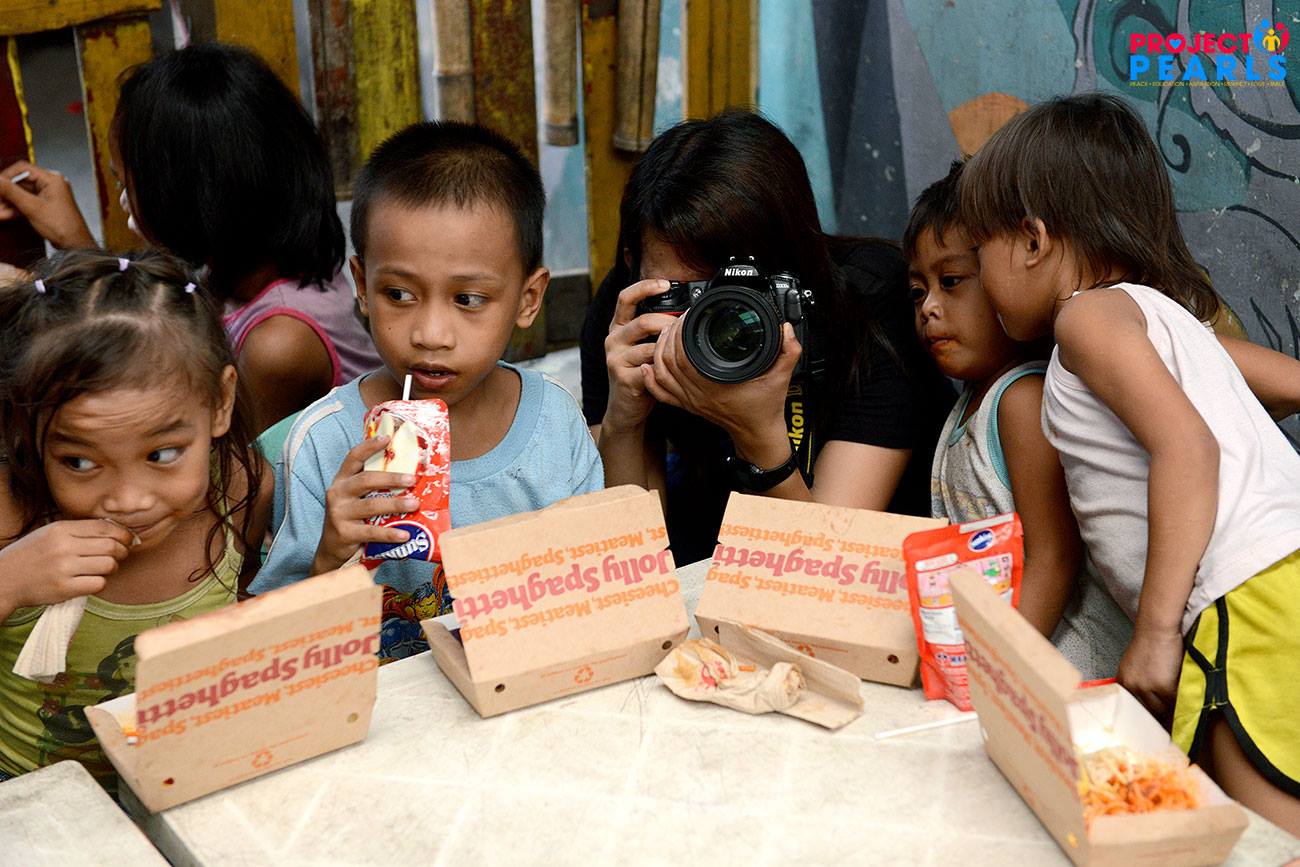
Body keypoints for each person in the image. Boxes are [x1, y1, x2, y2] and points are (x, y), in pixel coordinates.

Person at [958, 92, 1300, 834]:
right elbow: (1288, 384)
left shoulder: (1085, 319)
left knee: (1270, 844)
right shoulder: (1169, 322)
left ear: (1032, 239)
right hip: (1280, 583)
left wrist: (1155, 631)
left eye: (979, 252)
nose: (980, 279)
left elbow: (1187, 448)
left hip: (1241, 601)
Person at [253, 121, 603, 660]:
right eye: (398, 294)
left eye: (468, 299)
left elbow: (597, 588)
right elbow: (278, 647)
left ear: (528, 299)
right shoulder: (325, 445)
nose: (431, 335)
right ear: (361, 286)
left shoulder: (554, 423)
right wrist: (329, 556)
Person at [582, 110, 954, 564]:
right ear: (633, 264)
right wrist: (623, 421)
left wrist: (757, 432)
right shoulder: (629, 310)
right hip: (717, 532)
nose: (709, 322)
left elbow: (825, 564)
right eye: (683, 293)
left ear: (794, 273)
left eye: (735, 296)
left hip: (869, 560)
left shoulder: (869, 307)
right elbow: (632, 557)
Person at [0, 43, 380, 434]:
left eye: (124, 183)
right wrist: (75, 242)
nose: (124, 199)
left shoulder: (279, 344)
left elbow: (227, 460)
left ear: (180, 201)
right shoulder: (266, 251)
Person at [0, 250, 270, 789]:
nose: (128, 500)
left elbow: (248, 605)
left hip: (187, 778)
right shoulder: (10, 512)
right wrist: (9, 580)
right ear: (25, 430)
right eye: (79, 462)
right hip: (30, 793)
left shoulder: (240, 489)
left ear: (220, 402)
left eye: (162, 454)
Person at [905, 161, 1132, 680]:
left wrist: (996, 666)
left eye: (951, 281)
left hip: (1064, 668)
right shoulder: (972, 402)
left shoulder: (1021, 400)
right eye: (918, 291)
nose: (929, 307)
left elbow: (1054, 557)